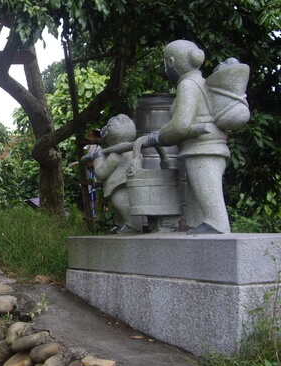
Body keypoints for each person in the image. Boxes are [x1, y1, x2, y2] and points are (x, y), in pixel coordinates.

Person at [144, 40, 231, 234]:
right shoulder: (199, 82)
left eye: (165, 63)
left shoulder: (188, 85)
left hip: (203, 149)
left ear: (172, 62)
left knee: (210, 200)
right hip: (201, 148)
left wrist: (158, 137)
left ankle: (216, 225)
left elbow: (181, 124)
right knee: (197, 200)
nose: (165, 68)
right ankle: (195, 223)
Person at [85, 114, 139, 233]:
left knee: (120, 202)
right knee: (122, 205)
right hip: (130, 181)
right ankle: (121, 224)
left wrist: (97, 157)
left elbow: (101, 173)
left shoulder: (115, 154)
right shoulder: (133, 150)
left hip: (119, 184)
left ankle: (132, 224)